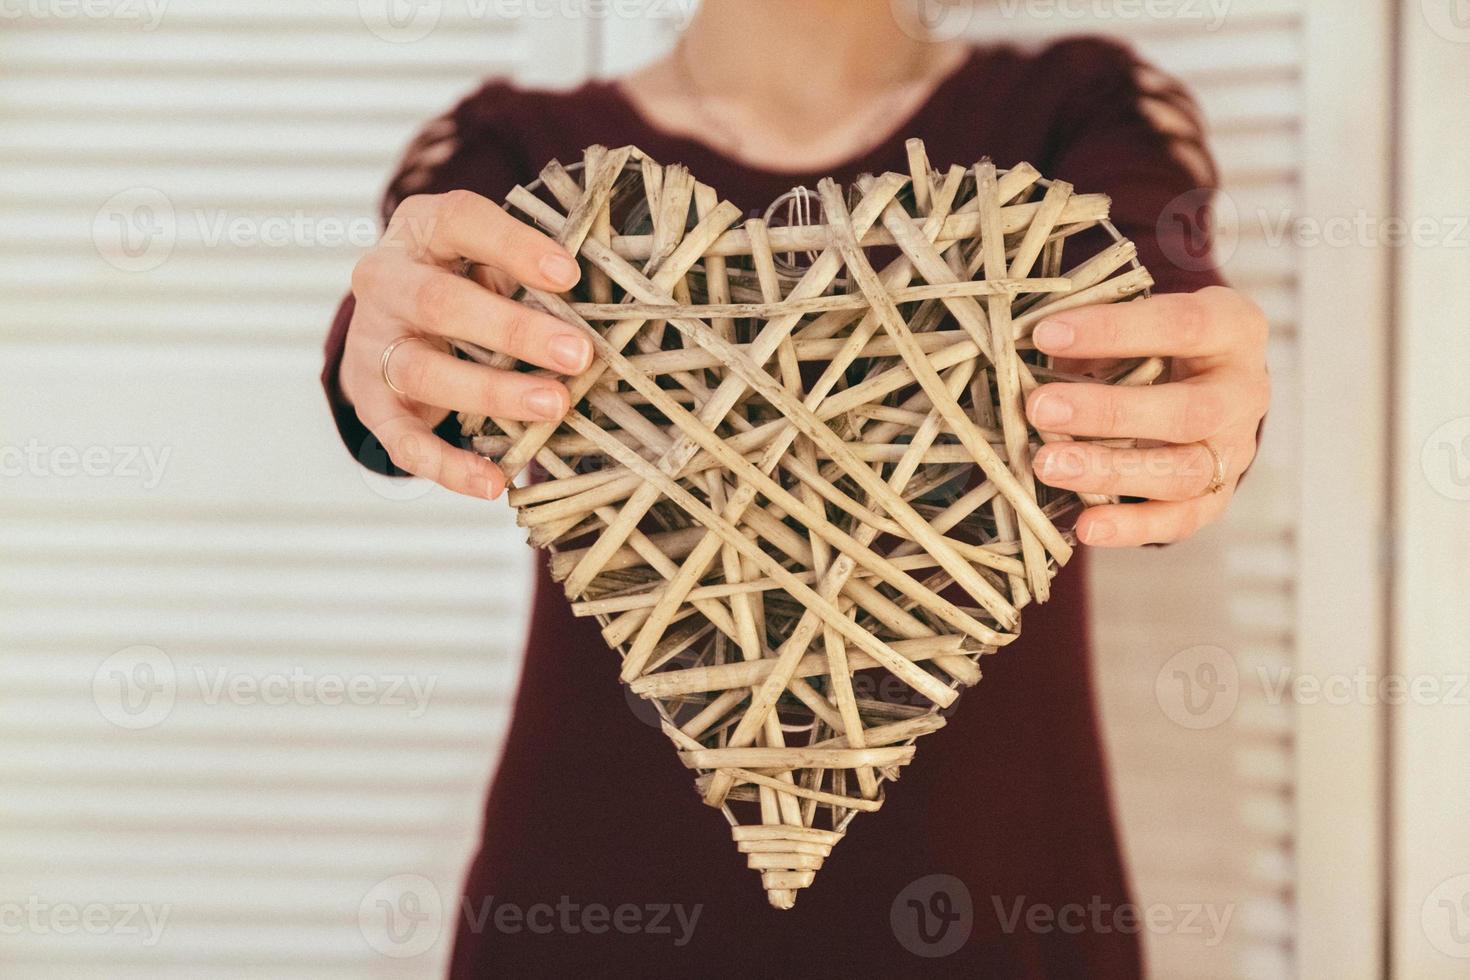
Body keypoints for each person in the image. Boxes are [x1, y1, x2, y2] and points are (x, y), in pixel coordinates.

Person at [320, 1, 1270, 975]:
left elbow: (1155, 317)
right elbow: (416, 321)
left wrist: (1189, 405)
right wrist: (382, 354)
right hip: (588, 912)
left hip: (994, 917)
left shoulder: (1068, 117)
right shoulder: (522, 155)